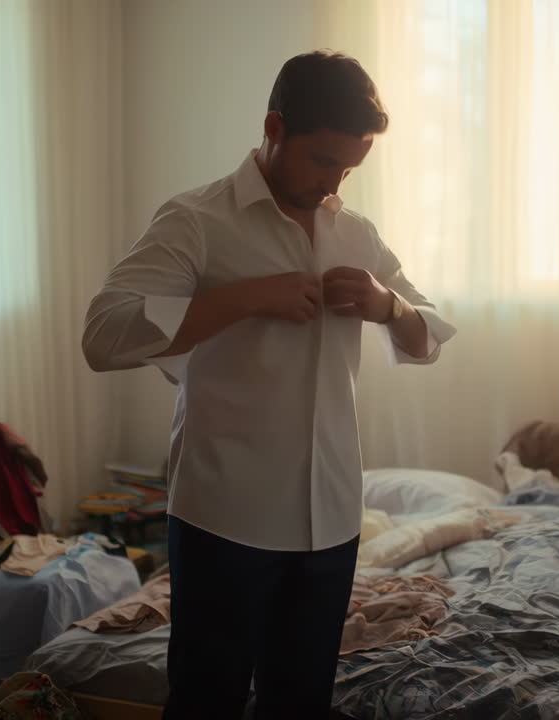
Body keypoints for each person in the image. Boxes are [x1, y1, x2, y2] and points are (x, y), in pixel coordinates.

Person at [81, 50, 454, 719]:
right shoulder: (197, 220)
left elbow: (427, 334)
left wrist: (386, 303)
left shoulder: (357, 234)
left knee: (301, 703)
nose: (333, 182)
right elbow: (103, 336)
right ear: (274, 128)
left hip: (331, 514)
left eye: (349, 168)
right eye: (322, 161)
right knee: (206, 702)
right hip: (225, 514)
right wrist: (247, 297)